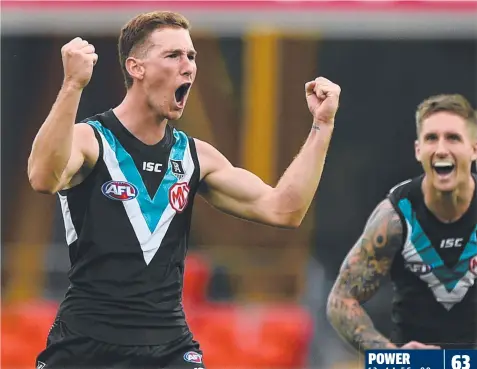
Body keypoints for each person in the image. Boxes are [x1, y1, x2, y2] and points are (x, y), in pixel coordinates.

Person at [28, 11, 340, 369]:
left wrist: (322, 126)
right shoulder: (90, 139)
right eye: (173, 55)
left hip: (168, 347)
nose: (188, 66)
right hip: (85, 345)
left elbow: (283, 209)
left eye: (192, 56)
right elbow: (42, 177)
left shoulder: (196, 156)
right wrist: (72, 86)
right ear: (136, 67)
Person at [327, 94, 477, 352]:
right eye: (431, 138)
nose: (441, 149)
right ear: (418, 150)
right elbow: (341, 299)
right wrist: (392, 357)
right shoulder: (396, 216)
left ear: (473, 149)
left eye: (453, 137)